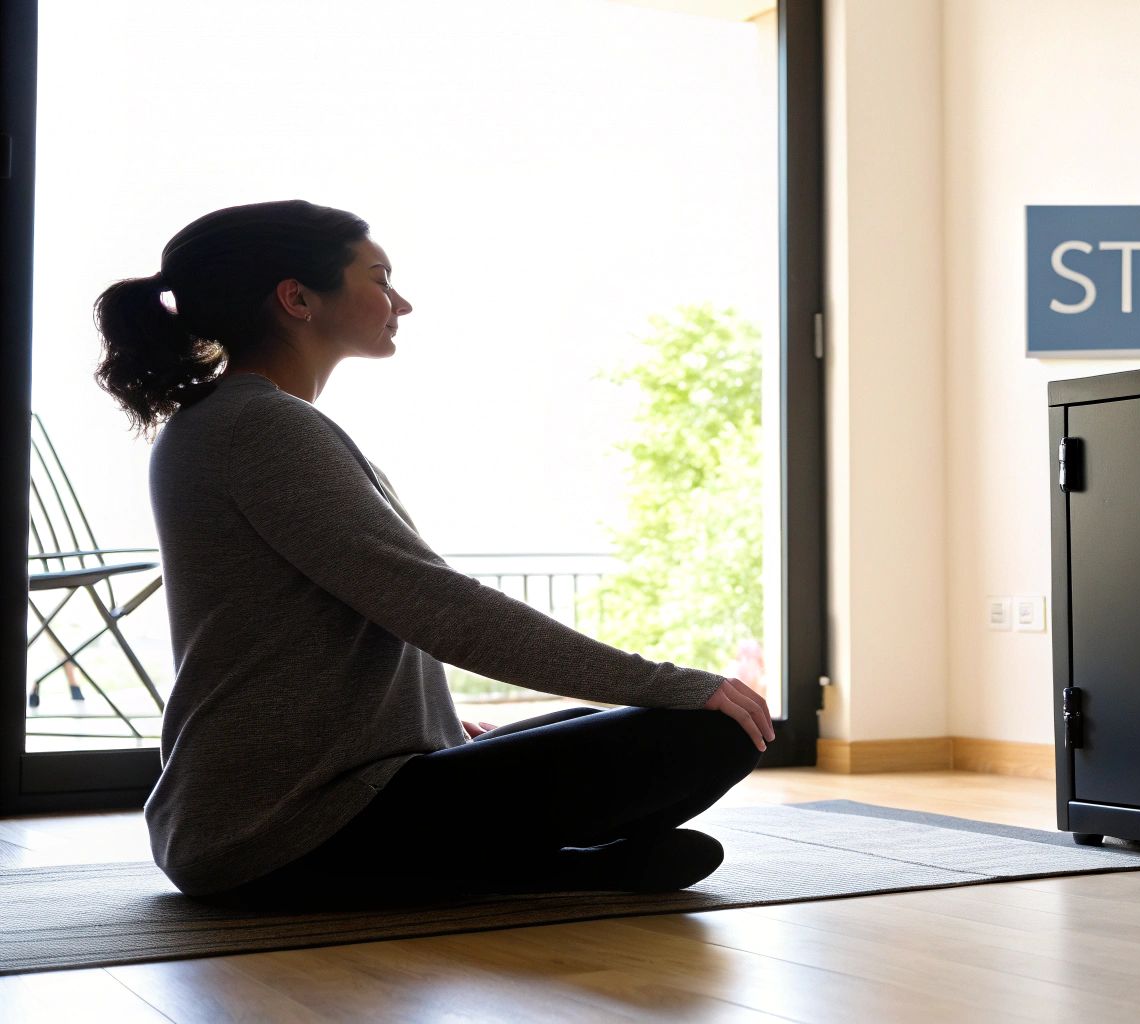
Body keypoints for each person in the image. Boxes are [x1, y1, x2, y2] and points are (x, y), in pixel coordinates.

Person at [91, 199, 773, 908]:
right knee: (710, 729)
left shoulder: (242, 422)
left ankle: (531, 867)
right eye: (380, 277)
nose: (401, 301)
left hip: (286, 810)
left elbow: (357, 616)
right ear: (296, 298)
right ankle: (527, 868)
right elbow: (437, 606)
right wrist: (672, 683)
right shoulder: (259, 427)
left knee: (598, 728)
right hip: (285, 829)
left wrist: (433, 728)